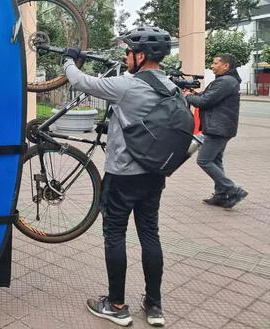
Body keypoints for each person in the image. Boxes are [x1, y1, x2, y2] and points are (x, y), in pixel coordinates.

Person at [61, 26, 172, 327]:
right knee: (150, 234)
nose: (125, 57)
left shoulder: (127, 86)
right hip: (154, 174)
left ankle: (117, 305)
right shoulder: (170, 86)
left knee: (115, 235)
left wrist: (70, 61)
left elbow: (82, 82)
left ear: (141, 55)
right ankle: (154, 306)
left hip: (122, 174)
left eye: (128, 52)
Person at [183, 54, 247, 209]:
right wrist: (194, 94)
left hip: (218, 128)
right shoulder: (225, 81)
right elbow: (208, 98)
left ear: (226, 66)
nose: (212, 66)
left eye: (215, 63)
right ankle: (221, 195)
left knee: (204, 160)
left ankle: (233, 189)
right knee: (216, 161)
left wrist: (188, 96)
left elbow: (204, 102)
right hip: (220, 127)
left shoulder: (225, 82)